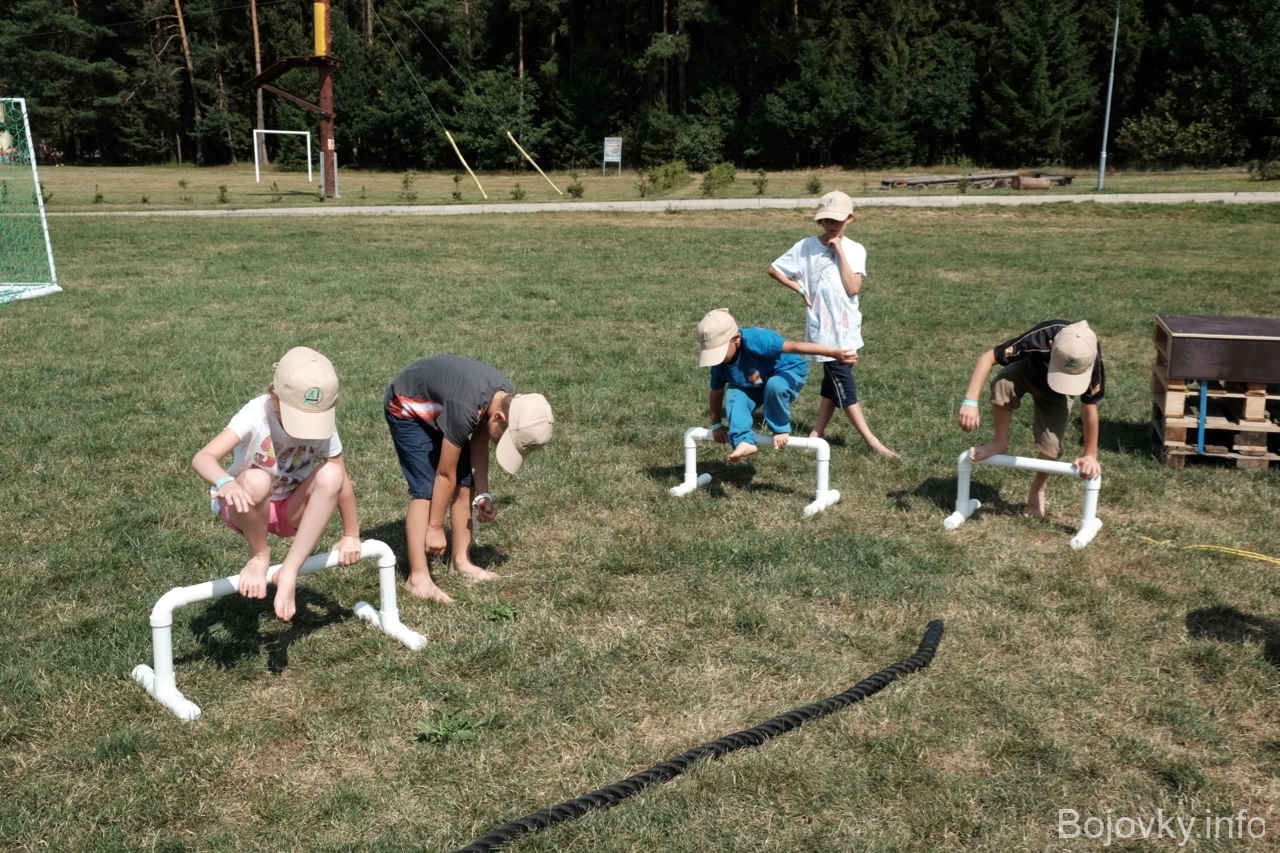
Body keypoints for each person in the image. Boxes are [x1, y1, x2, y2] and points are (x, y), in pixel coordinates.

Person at [192, 347, 361, 622]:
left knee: (333, 473)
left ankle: (289, 572)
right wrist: (226, 482)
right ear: (274, 396)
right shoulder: (256, 414)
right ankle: (259, 555)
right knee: (256, 479)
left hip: (290, 512)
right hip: (245, 506)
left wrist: (351, 534)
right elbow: (202, 457)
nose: (306, 429)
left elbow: (342, 480)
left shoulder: (324, 424)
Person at [384, 355, 554, 604]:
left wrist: (483, 494)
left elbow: (479, 444)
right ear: (499, 418)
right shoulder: (465, 408)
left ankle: (461, 562)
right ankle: (417, 578)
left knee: (467, 481)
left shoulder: (506, 400)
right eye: (505, 440)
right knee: (426, 489)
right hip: (408, 407)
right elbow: (444, 474)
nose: (500, 444)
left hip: (445, 409)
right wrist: (435, 527)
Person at [768, 190, 899, 459]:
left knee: (833, 383)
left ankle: (816, 433)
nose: (831, 225)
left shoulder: (855, 249)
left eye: (837, 220)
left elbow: (853, 288)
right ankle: (872, 441)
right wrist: (799, 289)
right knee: (844, 387)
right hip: (823, 333)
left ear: (850, 218)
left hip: (848, 329)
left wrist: (839, 250)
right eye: (826, 219)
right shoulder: (806, 246)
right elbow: (775, 269)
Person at [958, 320, 1105, 517]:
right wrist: (970, 402)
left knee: (1051, 449)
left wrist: (1090, 455)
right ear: (1051, 345)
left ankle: (1038, 488)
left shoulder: (1092, 361)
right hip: (1027, 371)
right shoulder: (1039, 339)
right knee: (1003, 384)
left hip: (1058, 394)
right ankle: (999, 442)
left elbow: (1089, 409)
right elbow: (988, 358)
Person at [697, 307, 857, 463]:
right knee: (734, 395)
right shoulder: (720, 365)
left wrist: (833, 353)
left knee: (775, 386)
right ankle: (743, 440)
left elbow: (794, 346)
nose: (716, 358)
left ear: (736, 338)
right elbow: (716, 392)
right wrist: (716, 424)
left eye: (719, 351)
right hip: (754, 382)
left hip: (787, 371)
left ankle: (780, 428)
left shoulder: (757, 340)